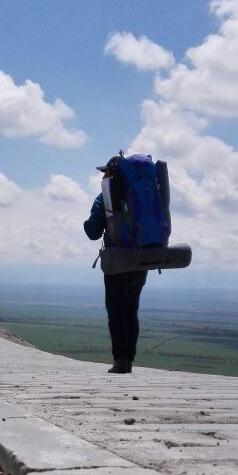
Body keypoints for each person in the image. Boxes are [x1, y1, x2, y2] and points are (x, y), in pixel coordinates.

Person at [83, 158, 148, 374]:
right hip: (141, 259)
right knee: (131, 310)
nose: (103, 177)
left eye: (105, 173)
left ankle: (121, 361)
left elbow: (93, 231)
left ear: (111, 174)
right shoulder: (143, 195)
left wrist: (89, 223)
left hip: (117, 259)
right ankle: (128, 359)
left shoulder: (106, 196)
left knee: (116, 311)